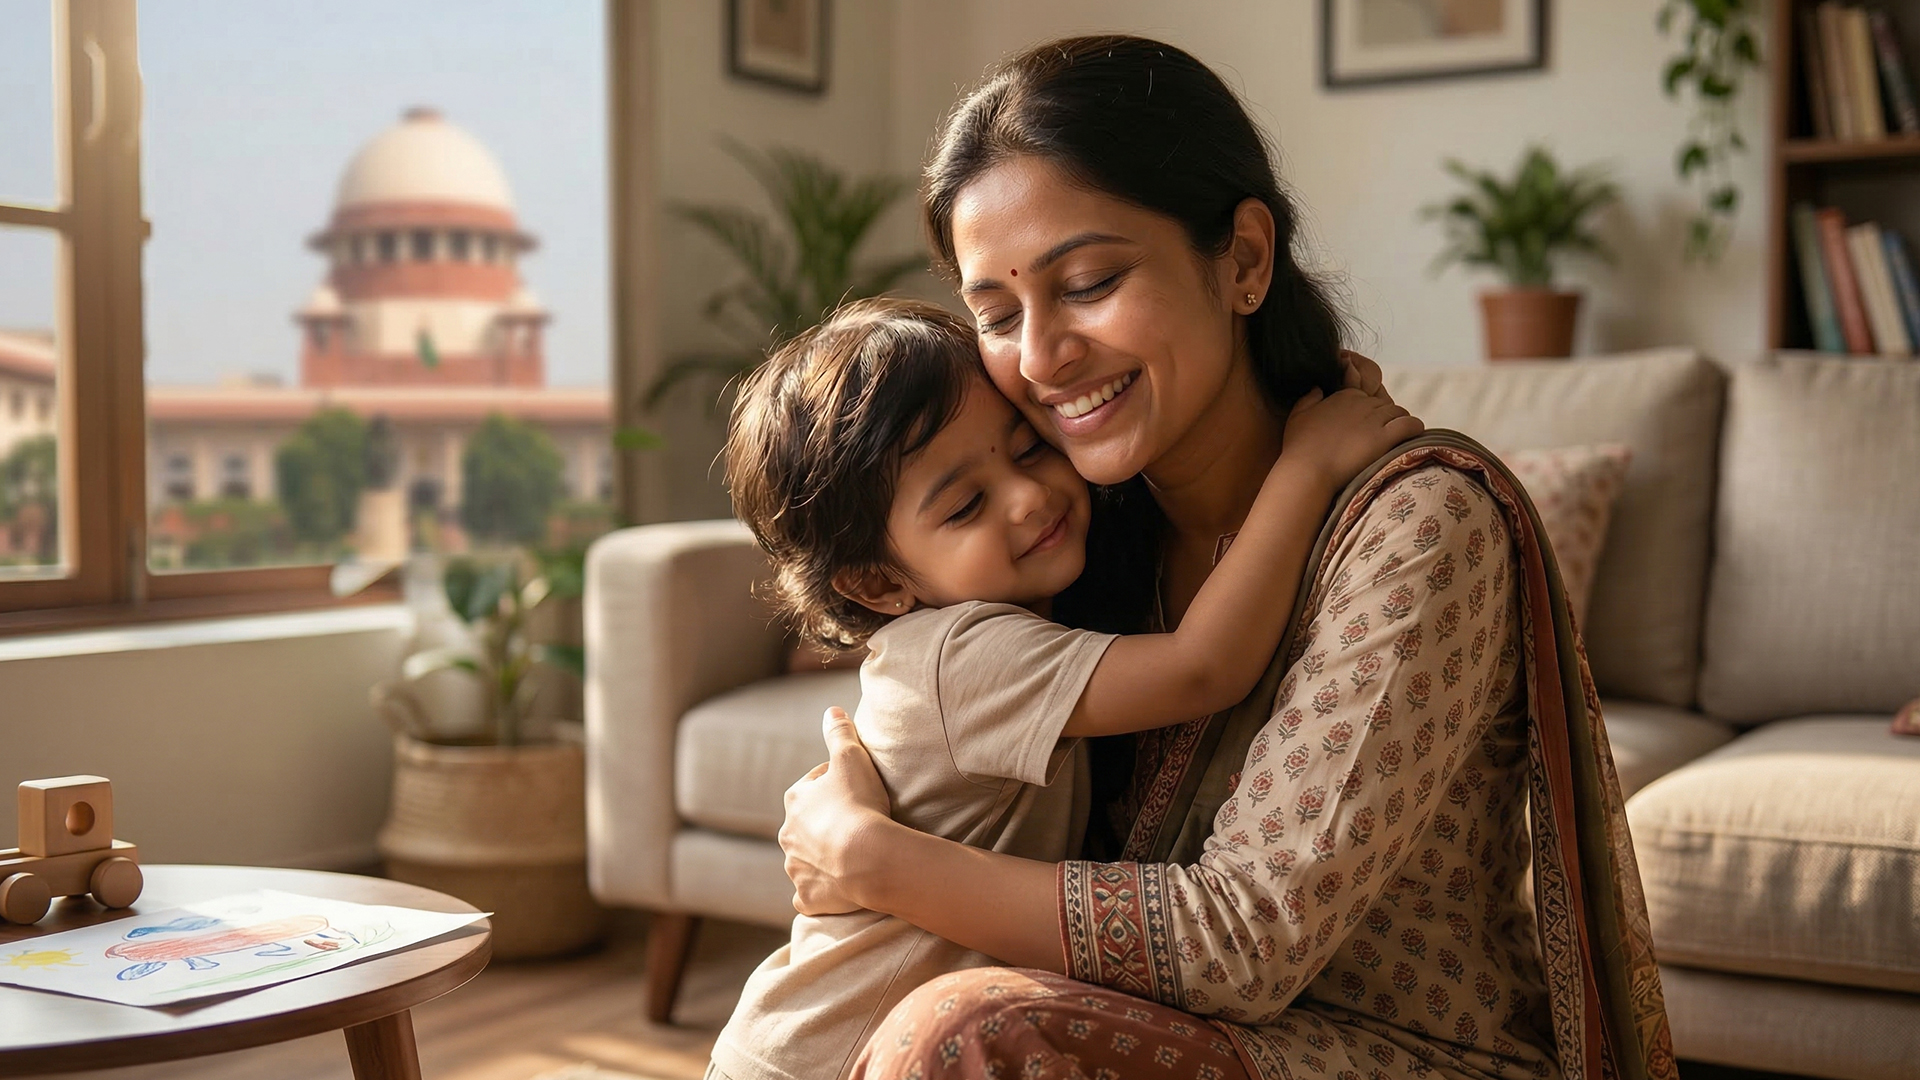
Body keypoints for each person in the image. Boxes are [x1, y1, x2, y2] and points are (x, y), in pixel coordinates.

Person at [774, 35, 1678, 1080]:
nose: (1042, 356)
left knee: (964, 1034)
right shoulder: (1080, 527)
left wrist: (879, 862)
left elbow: (1239, 942)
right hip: (1150, 1030)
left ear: (1244, 260)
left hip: (1409, 1052)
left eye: (1091, 280)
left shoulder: (1419, 527)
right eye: (998, 314)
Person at [710, 297, 1420, 1080]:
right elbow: (1203, 667)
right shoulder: (966, 655)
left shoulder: (998, 623)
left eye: (1027, 450)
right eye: (967, 505)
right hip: (816, 1055)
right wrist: (1307, 468)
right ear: (877, 583)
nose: (1028, 497)